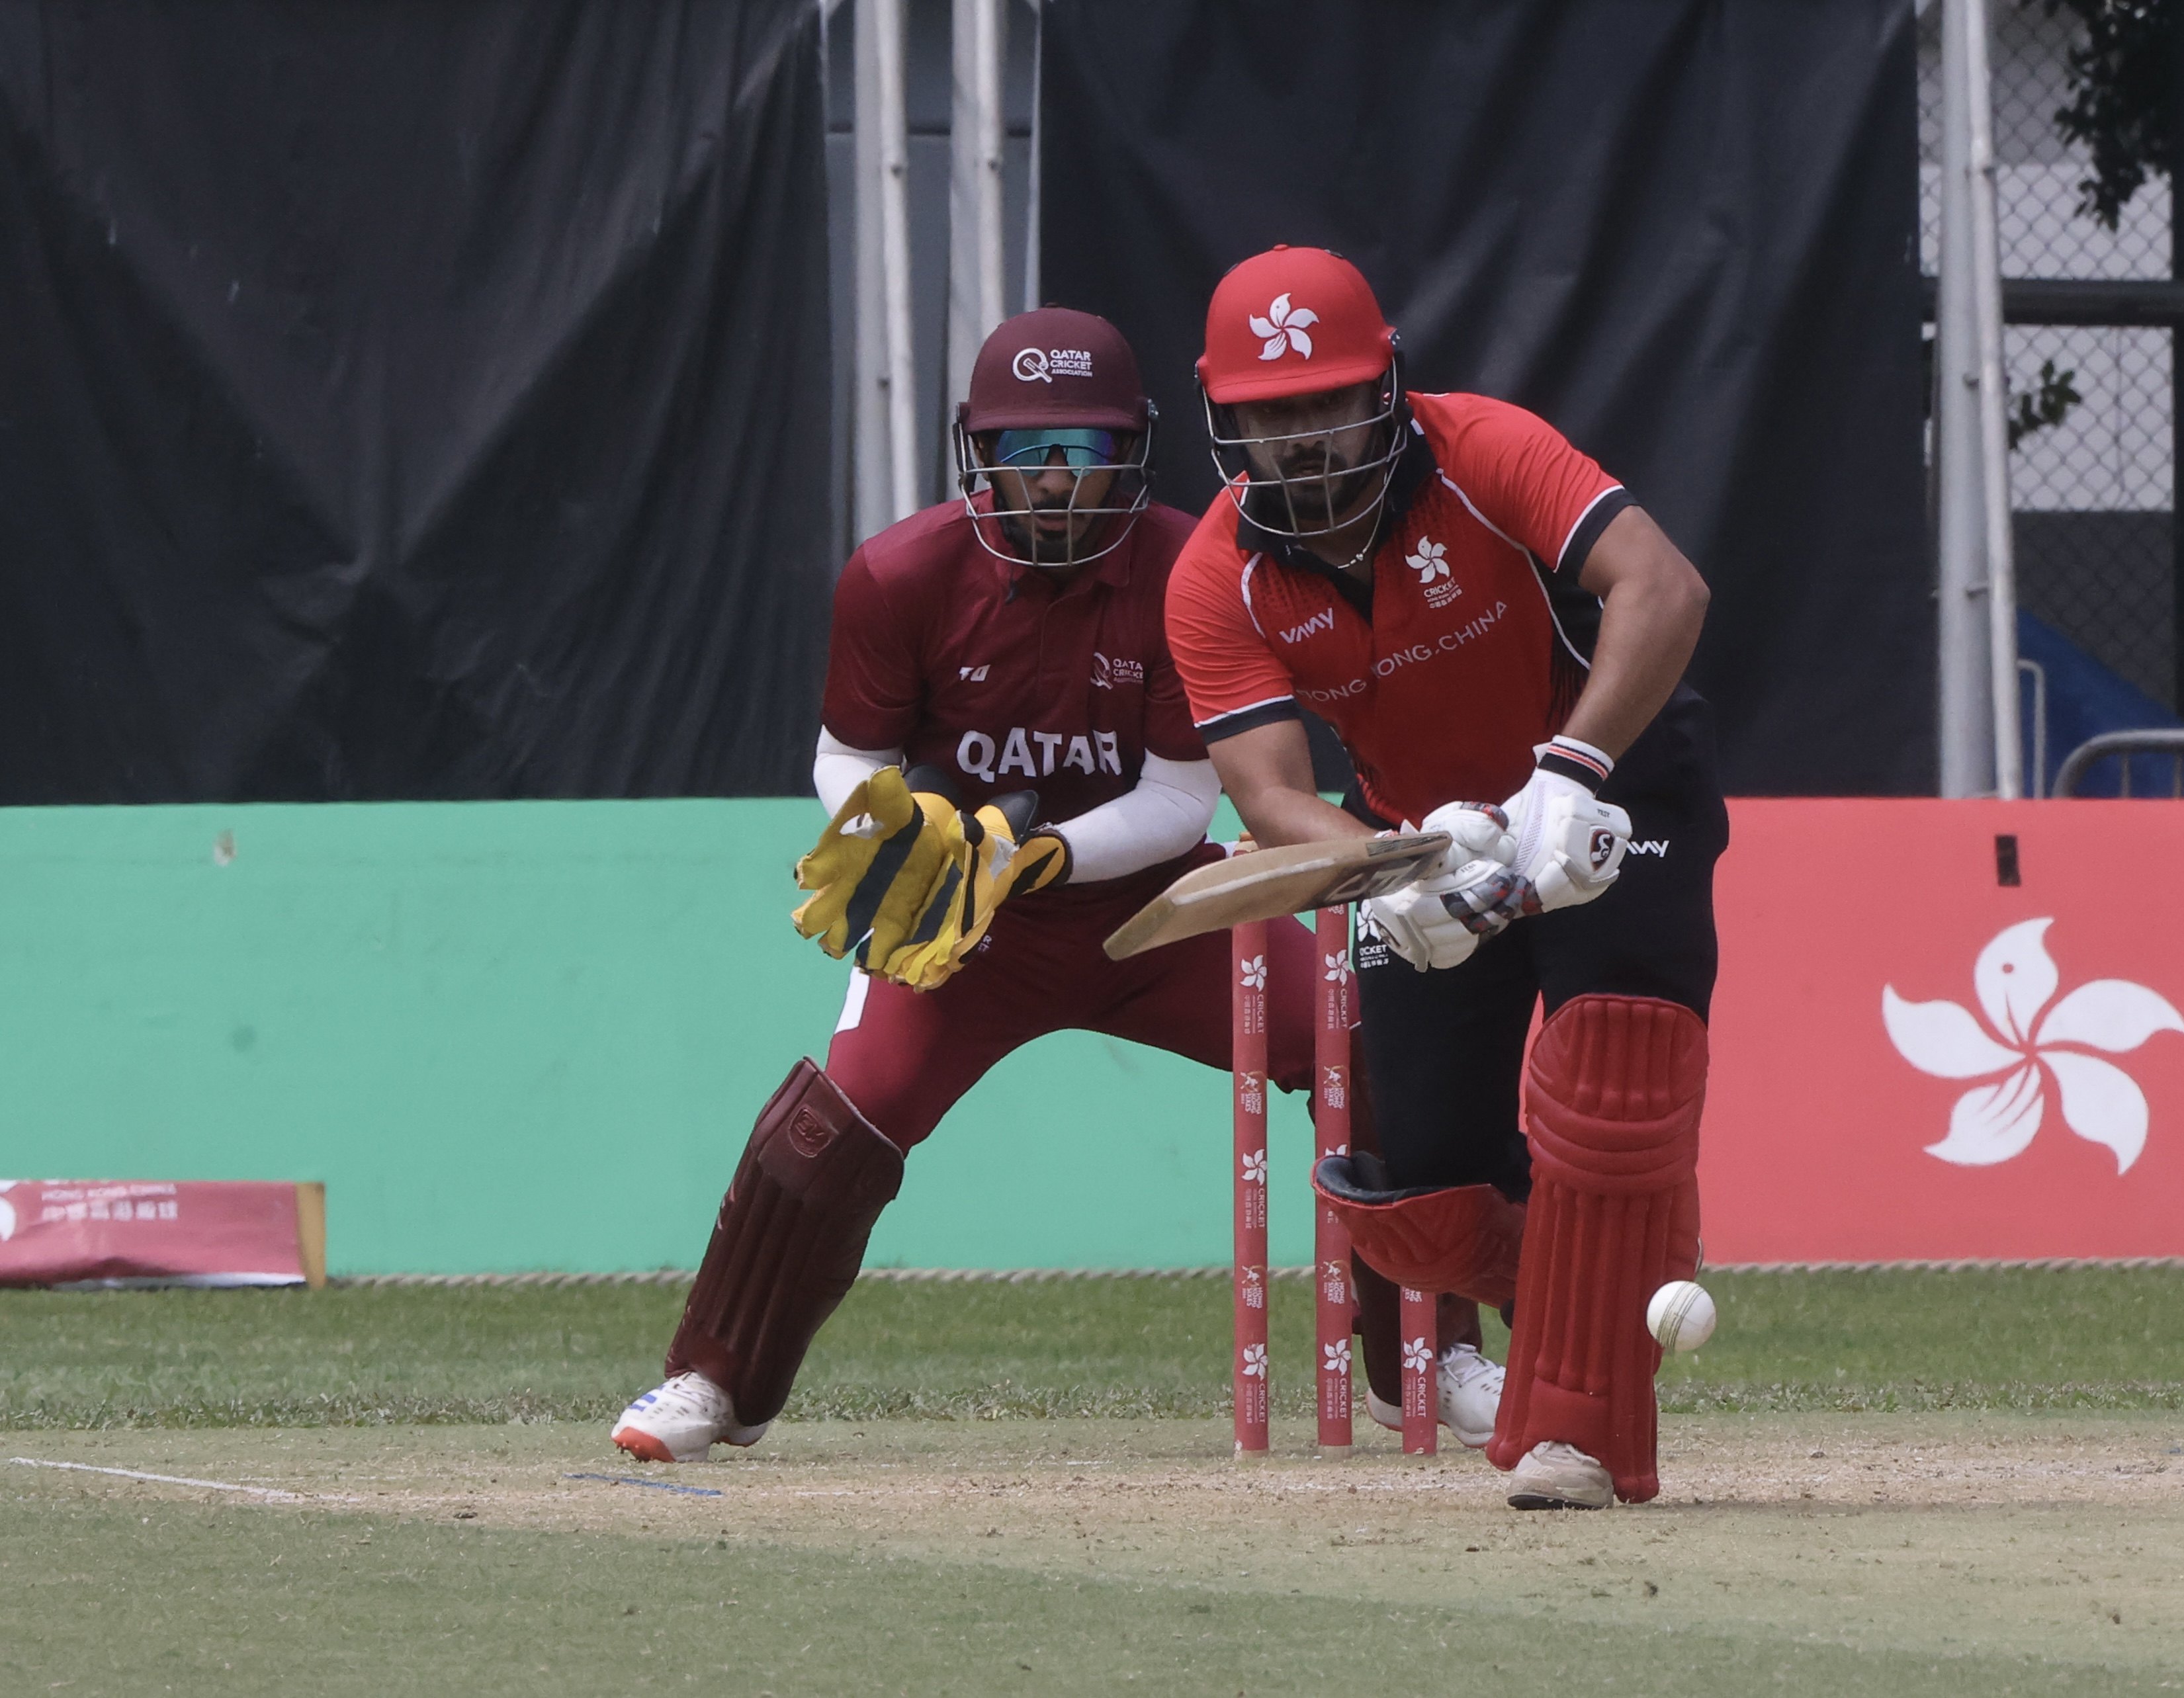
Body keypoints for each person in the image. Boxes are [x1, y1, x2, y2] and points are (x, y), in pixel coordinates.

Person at [610, 306, 1505, 1463]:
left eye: (1081, 454)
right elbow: (848, 756)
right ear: (974, 451)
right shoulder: (898, 574)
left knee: (1364, 1047)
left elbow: (1184, 799)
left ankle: (1425, 1361)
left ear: (1132, 449)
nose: (1054, 483)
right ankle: (712, 1383)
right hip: (965, 933)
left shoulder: (1195, 566)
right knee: (833, 1125)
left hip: (1158, 913)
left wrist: (1044, 856)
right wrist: (885, 827)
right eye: (1026, 454)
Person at [1164, 247, 1725, 1510]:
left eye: (1325, 404)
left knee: (1614, 1071)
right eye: (1269, 416)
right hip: (1428, 834)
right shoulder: (1215, 577)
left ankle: (1577, 1427)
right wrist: (1386, 874)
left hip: (1610, 769)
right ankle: (1616, 1269)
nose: (1301, 442)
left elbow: (1663, 583)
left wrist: (1571, 768)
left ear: (1387, 390)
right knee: (1410, 1189)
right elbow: (1263, 793)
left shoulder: (1482, 450)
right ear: (1226, 421)